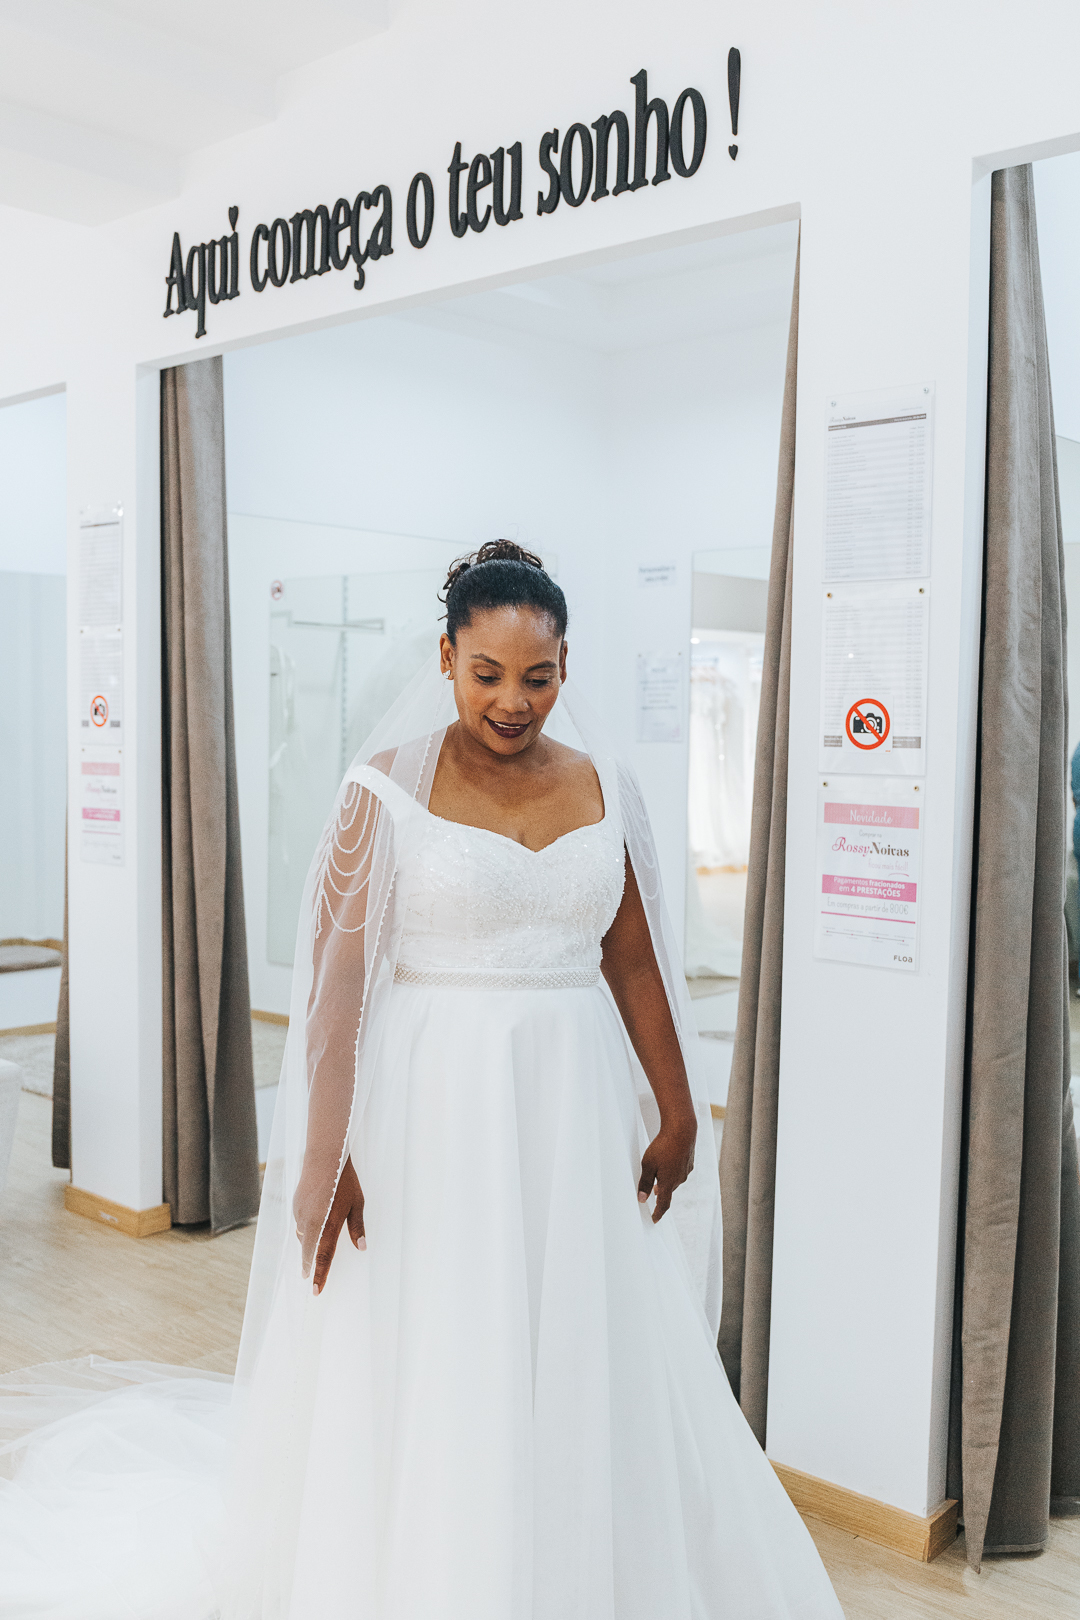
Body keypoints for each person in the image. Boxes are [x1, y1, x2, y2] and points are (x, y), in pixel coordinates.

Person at [0, 543, 844, 1619]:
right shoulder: (383, 789)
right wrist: (323, 1154)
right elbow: (338, 984)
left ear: (566, 667)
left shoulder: (602, 786)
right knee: (448, 1334)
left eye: (536, 676)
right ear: (446, 656)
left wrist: (677, 1108)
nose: (512, 699)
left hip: (571, 1101)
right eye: (487, 671)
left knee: (573, 1328)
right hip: (433, 1106)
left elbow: (631, 956)